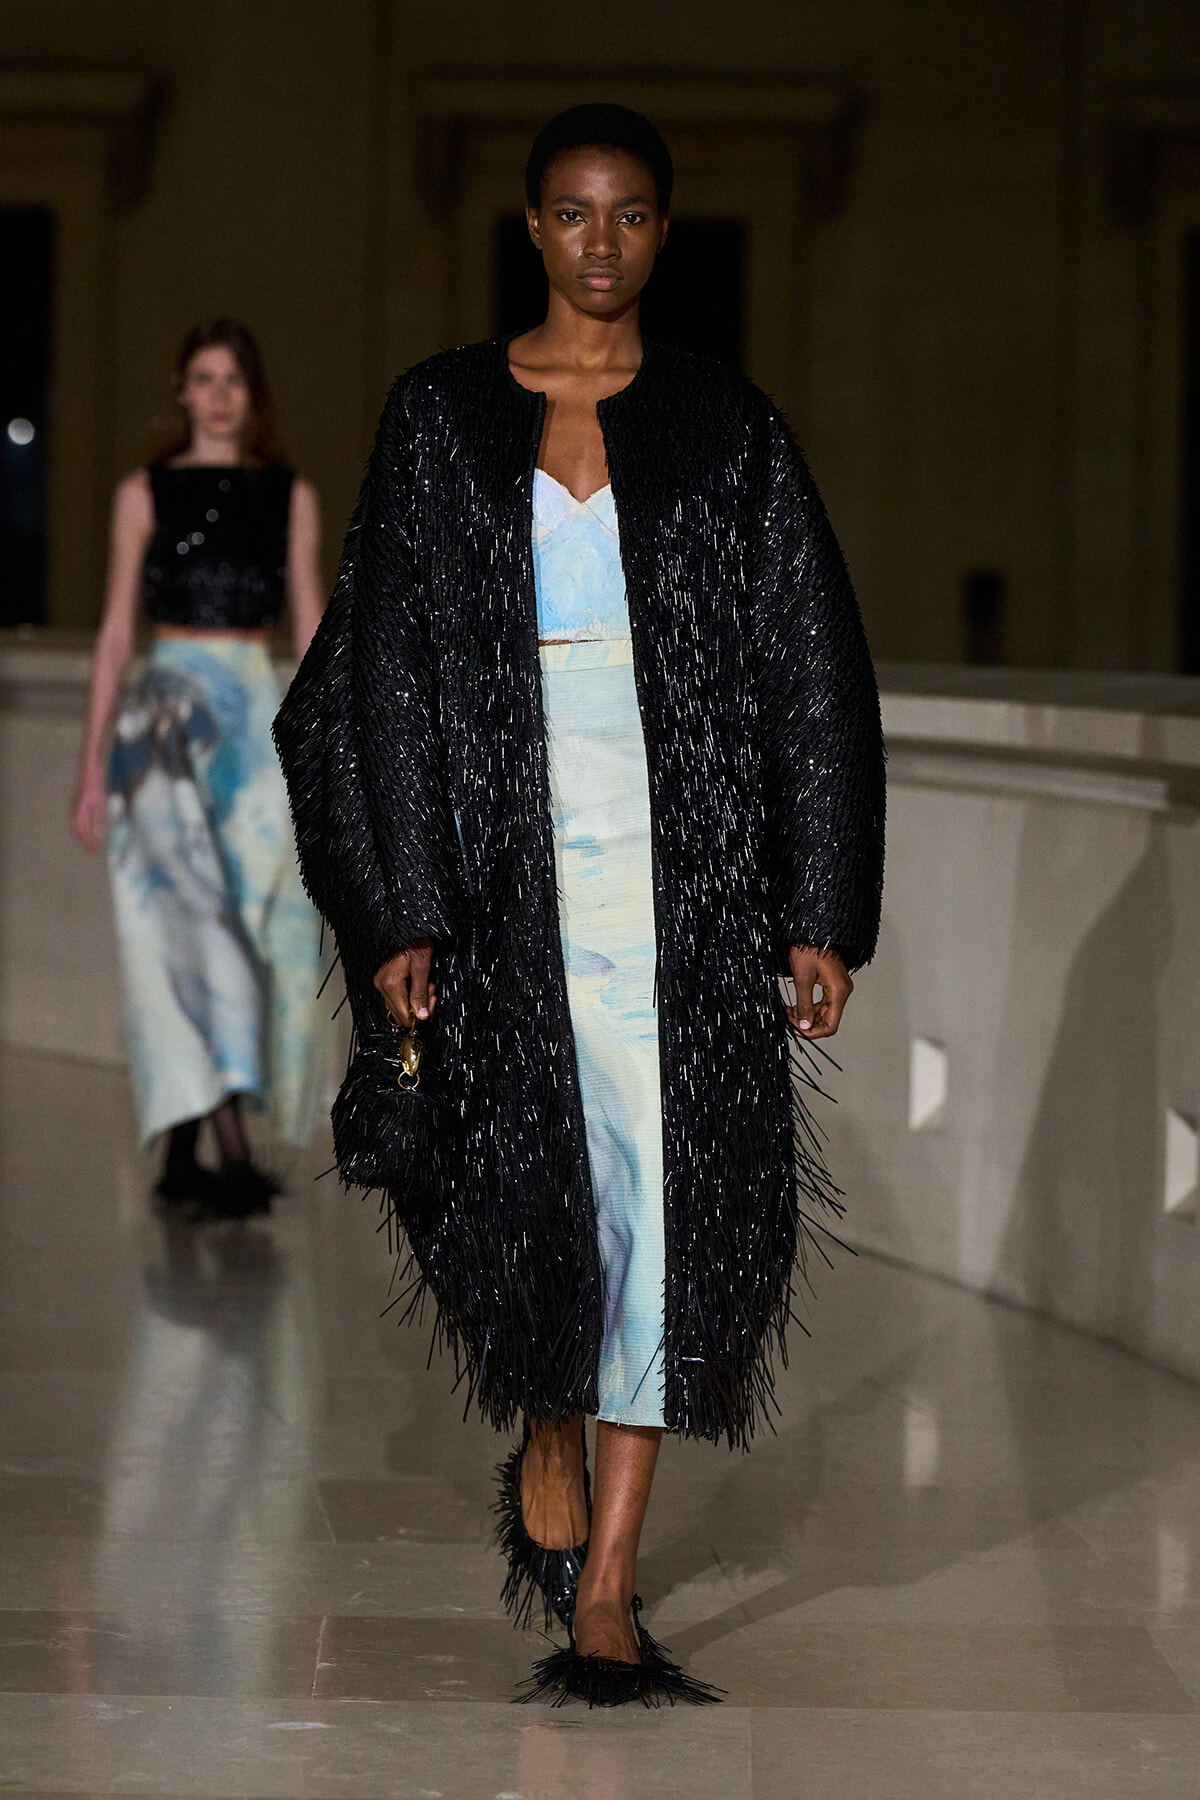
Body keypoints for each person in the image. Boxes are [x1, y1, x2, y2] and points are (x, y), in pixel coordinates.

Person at [275, 104, 885, 1704]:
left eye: (629, 215)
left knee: (665, 1207)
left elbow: (809, 665)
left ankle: (607, 1585)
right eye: (571, 212)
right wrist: (397, 905)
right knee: (530, 1202)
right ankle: (547, 1432)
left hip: (680, 874)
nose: (600, 240)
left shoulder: (723, 428)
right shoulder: (440, 419)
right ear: (532, 229)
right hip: (497, 880)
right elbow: (381, 671)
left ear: (663, 235)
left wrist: (816, 908)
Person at [72, 319, 325, 1218]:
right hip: (165, 721)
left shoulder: (289, 495)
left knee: (255, 922)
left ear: (251, 394)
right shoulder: (142, 494)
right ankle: (226, 1148)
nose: (219, 393)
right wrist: (93, 765)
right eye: (204, 377)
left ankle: (184, 1152)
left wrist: (327, 750)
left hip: (254, 714)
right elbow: (112, 636)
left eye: (234, 379)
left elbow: (311, 631)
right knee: (183, 924)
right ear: (181, 389)